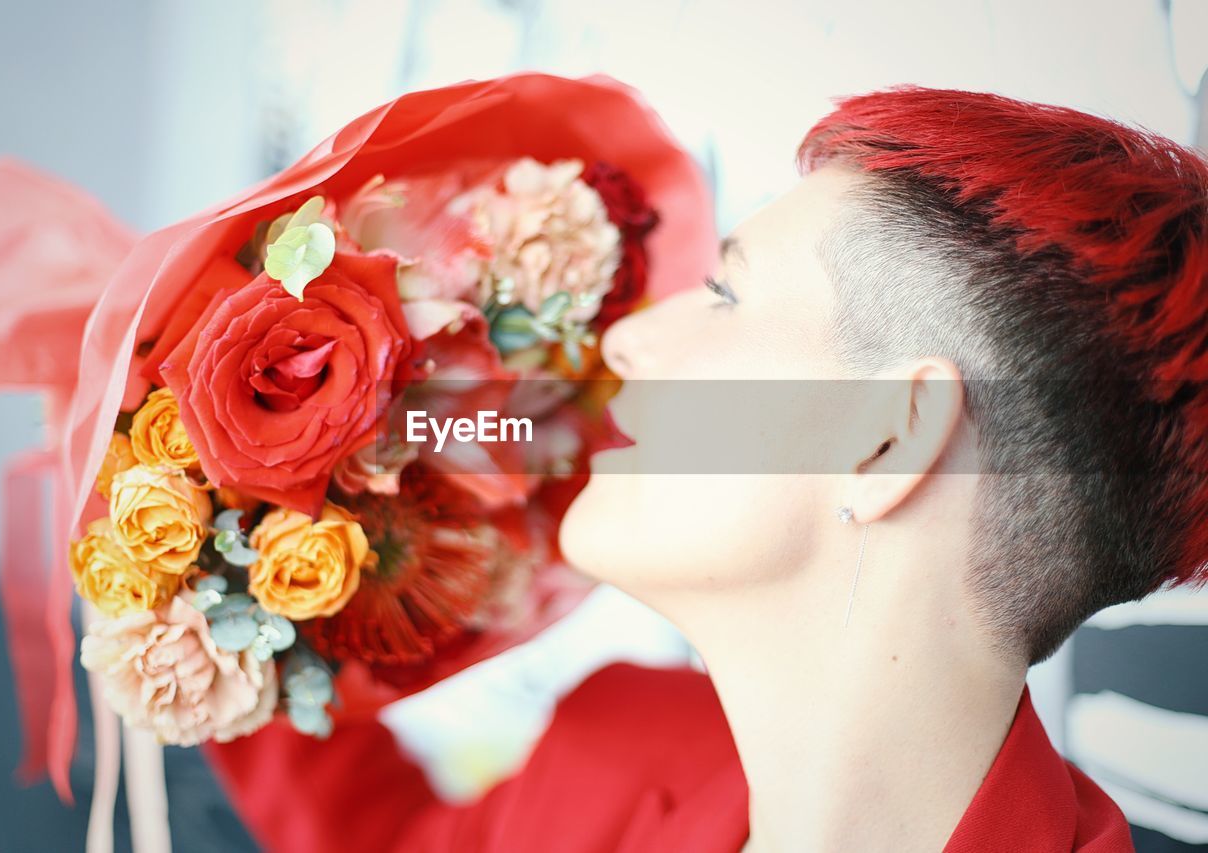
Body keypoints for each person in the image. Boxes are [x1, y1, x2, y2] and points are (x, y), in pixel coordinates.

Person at [208, 85, 1208, 851]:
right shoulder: (612, 746)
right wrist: (221, 545)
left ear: (892, 434)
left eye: (724, 293)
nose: (629, 345)